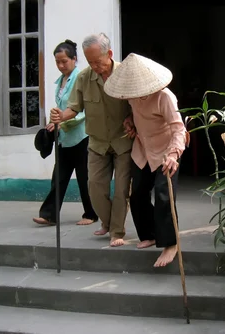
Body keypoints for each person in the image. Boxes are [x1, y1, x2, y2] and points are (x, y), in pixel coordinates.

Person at [103, 53, 187, 267]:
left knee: (164, 195)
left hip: (166, 152)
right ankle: (149, 235)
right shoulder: (131, 96)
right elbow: (137, 114)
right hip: (142, 150)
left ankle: (170, 244)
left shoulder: (164, 97)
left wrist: (174, 154)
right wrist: (130, 122)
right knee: (138, 194)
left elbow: (178, 128)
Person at [51, 33, 135, 247]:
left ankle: (117, 232)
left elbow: (138, 105)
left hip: (123, 140)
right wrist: (62, 116)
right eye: (90, 62)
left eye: (98, 61)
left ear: (109, 54)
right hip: (97, 142)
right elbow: (74, 107)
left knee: (122, 190)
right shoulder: (84, 78)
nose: (94, 66)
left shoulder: (125, 74)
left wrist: (132, 118)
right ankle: (106, 223)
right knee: (95, 187)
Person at [33, 40, 97, 226]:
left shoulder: (81, 78)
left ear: (74, 59)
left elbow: (84, 110)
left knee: (85, 178)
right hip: (64, 138)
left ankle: (91, 214)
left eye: (64, 61)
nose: (61, 65)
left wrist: (63, 121)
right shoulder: (60, 82)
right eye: (57, 62)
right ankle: (49, 215)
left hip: (81, 137)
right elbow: (61, 108)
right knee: (59, 177)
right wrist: (54, 123)